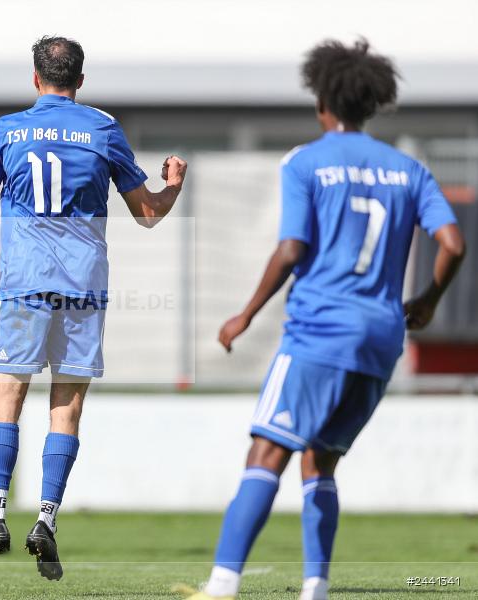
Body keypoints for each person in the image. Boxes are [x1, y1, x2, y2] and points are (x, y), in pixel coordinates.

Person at [178, 39, 465, 600]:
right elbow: (453, 242)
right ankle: (316, 587)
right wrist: (429, 298)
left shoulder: (306, 161)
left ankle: (221, 584)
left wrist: (244, 314)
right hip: (382, 337)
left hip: (321, 331)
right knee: (322, 461)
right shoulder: (408, 169)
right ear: (372, 103)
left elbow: (290, 250)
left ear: (322, 103)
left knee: (268, 451)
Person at [0, 35, 188, 579]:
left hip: (24, 283)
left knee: (7, 396)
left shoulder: (10, 130)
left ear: (35, 79)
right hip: (83, 288)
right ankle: (47, 519)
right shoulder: (102, 130)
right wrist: (173, 184)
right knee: (67, 403)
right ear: (80, 82)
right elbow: (148, 213)